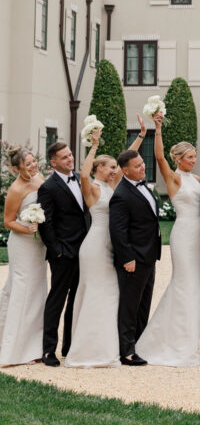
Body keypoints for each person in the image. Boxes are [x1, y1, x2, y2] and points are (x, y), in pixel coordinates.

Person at [66, 118, 146, 367]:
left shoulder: (114, 186)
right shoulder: (92, 189)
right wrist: (93, 146)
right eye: (110, 167)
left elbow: (127, 163)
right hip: (95, 246)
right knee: (97, 292)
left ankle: (108, 345)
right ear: (99, 168)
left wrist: (142, 135)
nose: (115, 171)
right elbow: (83, 174)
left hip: (113, 246)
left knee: (111, 295)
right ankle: (88, 348)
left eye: (115, 168)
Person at [136, 115, 200, 366]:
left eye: (195, 157)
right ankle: (173, 342)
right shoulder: (174, 178)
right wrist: (158, 128)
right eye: (189, 157)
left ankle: (188, 340)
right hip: (183, 234)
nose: (194, 161)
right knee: (183, 284)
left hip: (197, 235)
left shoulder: (196, 180)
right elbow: (159, 158)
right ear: (179, 159)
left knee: (193, 285)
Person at [37, 140, 91, 365]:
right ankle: (48, 349)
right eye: (64, 157)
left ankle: (69, 346)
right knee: (57, 299)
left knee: (76, 299)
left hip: (85, 250)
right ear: (53, 162)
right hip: (63, 253)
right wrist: (57, 251)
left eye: (70, 155)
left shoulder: (79, 178)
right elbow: (45, 223)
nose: (70, 159)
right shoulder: (48, 188)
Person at [108, 149, 162, 365]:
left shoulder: (143, 185)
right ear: (125, 170)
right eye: (138, 166)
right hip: (134, 258)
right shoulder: (121, 195)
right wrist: (127, 258)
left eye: (142, 163)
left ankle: (138, 342)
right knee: (129, 305)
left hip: (149, 254)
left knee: (143, 304)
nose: (143, 167)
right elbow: (118, 231)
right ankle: (126, 351)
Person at [0, 148, 47, 366]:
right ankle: (15, 350)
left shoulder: (39, 177)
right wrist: (26, 229)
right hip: (23, 243)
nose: (33, 166)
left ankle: (34, 346)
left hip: (38, 244)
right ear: (16, 168)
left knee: (37, 291)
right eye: (27, 164)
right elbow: (8, 221)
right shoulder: (16, 189)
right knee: (22, 290)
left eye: (33, 162)